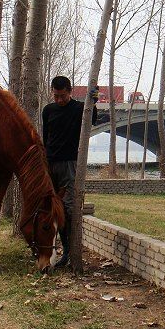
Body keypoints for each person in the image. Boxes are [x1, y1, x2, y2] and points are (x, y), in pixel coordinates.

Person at [42, 76, 98, 267]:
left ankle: (68, 251)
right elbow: (45, 138)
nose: (59, 100)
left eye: (62, 96)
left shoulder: (80, 109)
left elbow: (92, 121)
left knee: (68, 207)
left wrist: (94, 101)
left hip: (70, 164)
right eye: (56, 96)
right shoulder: (48, 110)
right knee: (51, 208)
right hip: (50, 164)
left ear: (70, 91)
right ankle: (50, 248)